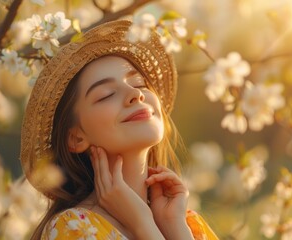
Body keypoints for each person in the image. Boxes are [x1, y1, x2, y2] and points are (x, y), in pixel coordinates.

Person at [20, 20, 219, 239]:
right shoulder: (74, 228)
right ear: (76, 137)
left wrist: (174, 226)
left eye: (139, 83)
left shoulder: (189, 225)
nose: (136, 94)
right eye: (106, 94)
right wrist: (142, 223)